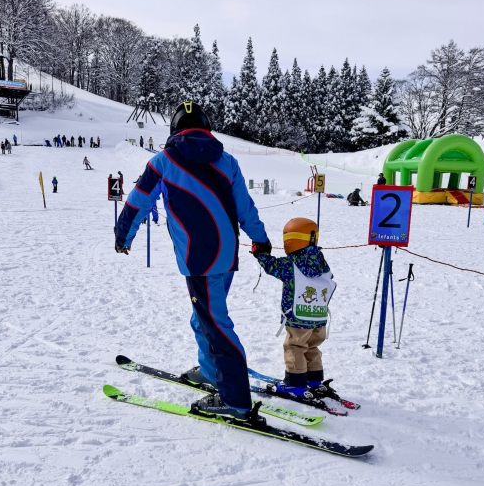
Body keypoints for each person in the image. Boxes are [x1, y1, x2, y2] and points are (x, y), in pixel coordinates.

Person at [115, 101, 271, 425]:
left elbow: (138, 201)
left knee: (216, 325)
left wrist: (123, 237)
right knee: (203, 318)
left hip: (199, 259)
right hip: (226, 256)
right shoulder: (227, 161)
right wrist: (260, 238)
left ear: (174, 129)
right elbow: (245, 207)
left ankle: (236, 401)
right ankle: (212, 372)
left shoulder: (163, 161)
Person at [252, 217, 336, 399]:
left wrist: (260, 254)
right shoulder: (321, 262)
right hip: (319, 317)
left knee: (295, 346)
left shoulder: (290, 264)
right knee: (312, 347)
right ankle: (314, 381)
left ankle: (295, 384)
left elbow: (271, 266)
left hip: (298, 317)